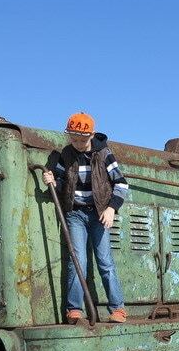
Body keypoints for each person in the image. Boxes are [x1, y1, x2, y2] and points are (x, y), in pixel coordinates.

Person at [43, 112, 130, 324]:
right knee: (77, 261)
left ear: (91, 135)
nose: (78, 144)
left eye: (82, 140)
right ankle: (74, 309)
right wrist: (52, 180)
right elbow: (64, 184)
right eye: (73, 139)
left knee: (105, 261)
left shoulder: (104, 154)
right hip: (76, 214)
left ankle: (118, 309)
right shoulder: (67, 154)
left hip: (100, 213)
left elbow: (121, 183)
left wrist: (111, 209)